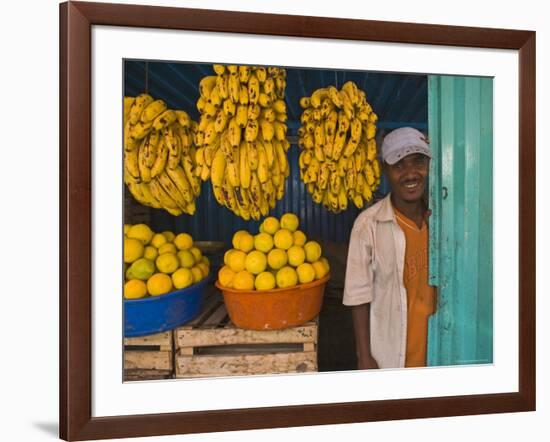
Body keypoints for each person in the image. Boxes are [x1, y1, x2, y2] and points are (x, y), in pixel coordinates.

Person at [343, 126, 436, 369]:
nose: (410, 173)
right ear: (386, 170)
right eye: (399, 165)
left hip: (439, 349)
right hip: (390, 354)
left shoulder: (441, 219)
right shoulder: (368, 225)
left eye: (418, 162)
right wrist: (364, 356)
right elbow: (357, 295)